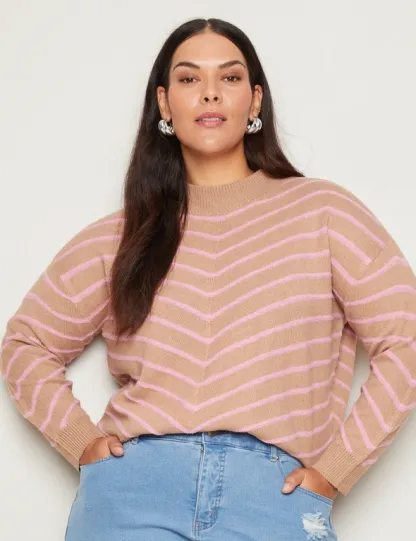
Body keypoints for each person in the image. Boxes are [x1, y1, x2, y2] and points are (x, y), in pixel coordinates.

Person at [1, 17, 415, 541]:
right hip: (131, 498)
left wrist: (335, 471)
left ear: (255, 100)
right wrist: (82, 443)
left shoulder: (323, 212)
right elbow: (26, 343)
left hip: (272, 499)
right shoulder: (123, 236)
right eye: (189, 78)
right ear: (164, 103)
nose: (211, 92)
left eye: (231, 77)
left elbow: (405, 337)